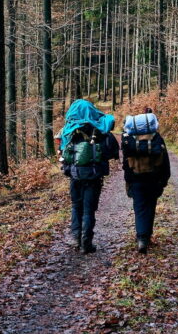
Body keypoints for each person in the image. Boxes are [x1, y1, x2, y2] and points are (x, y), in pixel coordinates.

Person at [60, 100, 119, 254]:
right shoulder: (100, 127)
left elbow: (63, 153)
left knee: (76, 205)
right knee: (89, 209)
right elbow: (112, 151)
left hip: (75, 175)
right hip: (94, 176)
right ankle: (87, 240)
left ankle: (75, 236)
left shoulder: (69, 129)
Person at [122, 107, 170, 254]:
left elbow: (126, 164)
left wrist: (128, 182)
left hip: (136, 178)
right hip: (154, 178)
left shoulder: (130, 139)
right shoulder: (156, 138)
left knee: (139, 208)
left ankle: (142, 238)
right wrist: (163, 181)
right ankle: (146, 236)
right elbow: (165, 162)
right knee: (150, 207)